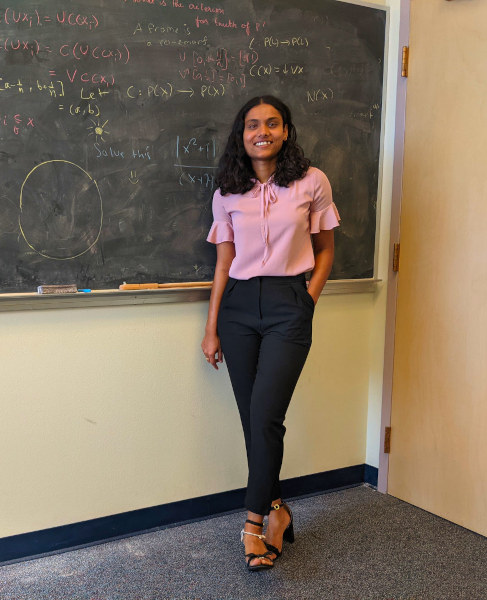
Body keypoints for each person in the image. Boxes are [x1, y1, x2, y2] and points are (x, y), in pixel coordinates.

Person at [201, 95, 340, 571]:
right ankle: (279, 511)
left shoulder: (311, 182)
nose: (263, 132)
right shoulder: (226, 191)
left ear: (286, 131)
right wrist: (211, 327)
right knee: (253, 420)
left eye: (273, 124)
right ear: (241, 135)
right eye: (253, 125)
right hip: (238, 308)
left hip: (287, 305)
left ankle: (254, 524)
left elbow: (325, 251)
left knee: (266, 415)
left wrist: (307, 300)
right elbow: (223, 264)